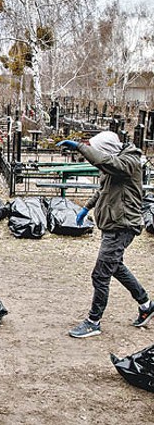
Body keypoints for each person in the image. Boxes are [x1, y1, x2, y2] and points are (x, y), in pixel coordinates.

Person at [57, 131, 153, 338]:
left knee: (100, 274)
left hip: (122, 226)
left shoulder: (128, 163)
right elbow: (103, 190)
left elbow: (108, 163)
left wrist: (80, 147)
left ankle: (94, 321)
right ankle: (146, 304)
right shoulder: (114, 166)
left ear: (106, 150)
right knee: (115, 266)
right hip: (113, 224)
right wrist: (86, 208)